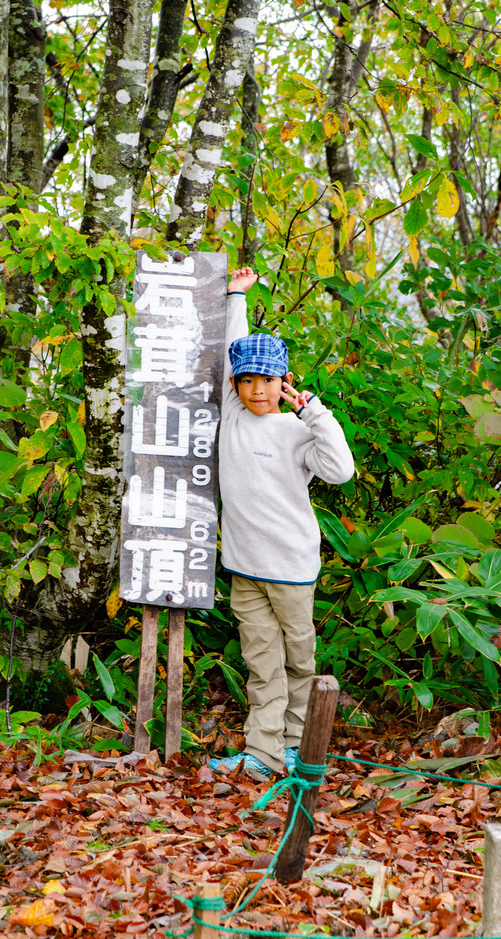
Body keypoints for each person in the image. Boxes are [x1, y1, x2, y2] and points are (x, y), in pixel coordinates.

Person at [209, 267, 355, 779]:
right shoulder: (232, 411)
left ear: (283, 382)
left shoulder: (298, 431)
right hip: (245, 567)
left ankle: (294, 746)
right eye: (246, 380)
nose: (255, 389)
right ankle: (261, 752)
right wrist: (235, 297)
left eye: (266, 380)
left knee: (298, 662)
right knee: (261, 663)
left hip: (292, 569)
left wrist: (314, 411)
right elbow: (234, 344)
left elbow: (340, 471)